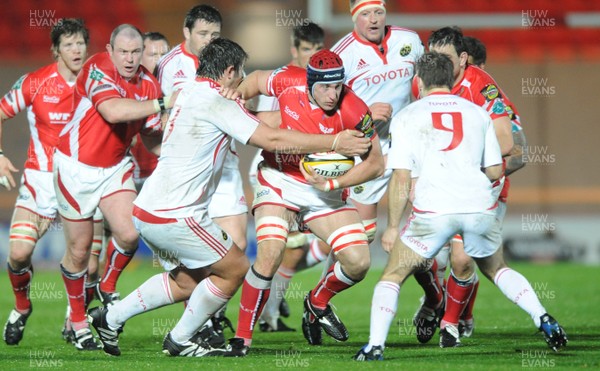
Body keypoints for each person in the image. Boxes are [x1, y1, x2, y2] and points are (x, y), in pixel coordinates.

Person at [87, 37, 372, 357]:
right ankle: (180, 340)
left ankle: (109, 319)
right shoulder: (218, 102)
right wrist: (334, 143)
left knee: (188, 282)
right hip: (176, 213)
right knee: (235, 268)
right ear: (228, 71)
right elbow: (273, 138)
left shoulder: (188, 90)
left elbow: (269, 120)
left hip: (149, 208)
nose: (241, 82)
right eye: (240, 74)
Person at [354, 51, 567, 361]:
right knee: (497, 269)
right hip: (478, 206)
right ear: (450, 79)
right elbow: (496, 170)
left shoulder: (408, 116)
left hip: (433, 212)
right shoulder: (478, 113)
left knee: (392, 275)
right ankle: (543, 318)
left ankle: (374, 347)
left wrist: (392, 227)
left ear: (419, 81)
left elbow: (400, 178)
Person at [224, 49, 384, 357]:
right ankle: (242, 340)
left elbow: (375, 163)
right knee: (270, 254)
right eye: (325, 86)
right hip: (279, 180)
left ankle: (317, 301)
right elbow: (256, 79)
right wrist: (237, 95)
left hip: (323, 193)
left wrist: (333, 184)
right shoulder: (288, 80)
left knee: (359, 262)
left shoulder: (354, 110)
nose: (332, 93)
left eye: (337, 86)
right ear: (309, 81)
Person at [53, 24, 174, 350]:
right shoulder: (96, 67)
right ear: (110, 50)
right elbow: (113, 110)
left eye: (136, 52)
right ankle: (78, 319)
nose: (130, 59)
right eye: (123, 51)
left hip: (115, 168)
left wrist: (178, 161)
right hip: (74, 168)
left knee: (130, 234)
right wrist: (163, 104)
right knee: (79, 253)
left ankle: (107, 285)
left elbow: (149, 136)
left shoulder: (149, 84)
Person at [0, 18, 104, 346]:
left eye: (80, 43)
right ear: (55, 50)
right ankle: (22, 306)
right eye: (68, 44)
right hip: (41, 182)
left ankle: (75, 321)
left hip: (85, 181)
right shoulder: (35, 83)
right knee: (18, 254)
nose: (76, 50)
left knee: (88, 263)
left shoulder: (99, 83)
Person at [431, 34, 529, 339]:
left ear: (468, 64)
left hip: (482, 192)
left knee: (464, 259)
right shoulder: (430, 87)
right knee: (433, 261)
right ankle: (438, 307)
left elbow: (519, 153)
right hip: (439, 190)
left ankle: (455, 319)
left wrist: (482, 173)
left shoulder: (489, 95)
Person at [155, 4, 243, 344]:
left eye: (214, 34)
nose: (209, 40)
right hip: (189, 171)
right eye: (203, 33)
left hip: (226, 164)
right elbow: (165, 112)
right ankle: (199, 326)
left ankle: (209, 318)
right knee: (201, 257)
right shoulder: (170, 64)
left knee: (235, 248)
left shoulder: (227, 61)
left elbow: (241, 96)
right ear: (186, 32)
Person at [249, 22, 331, 333]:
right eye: (306, 49)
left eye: (316, 50)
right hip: (278, 170)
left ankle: (270, 310)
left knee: (301, 249)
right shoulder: (280, 81)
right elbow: (269, 132)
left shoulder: (322, 82)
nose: (311, 56)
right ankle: (264, 311)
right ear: (294, 50)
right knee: (284, 250)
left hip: (304, 171)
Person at [331, 0, 424, 243]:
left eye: (378, 12)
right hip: (367, 148)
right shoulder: (341, 54)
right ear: (353, 17)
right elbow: (326, 111)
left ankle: (436, 277)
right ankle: (319, 260)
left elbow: (427, 81)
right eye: (365, 14)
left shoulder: (409, 40)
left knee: (429, 216)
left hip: (406, 141)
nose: (373, 19)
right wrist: (365, 115)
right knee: (362, 237)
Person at [130, 31, 170, 190]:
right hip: (132, 177)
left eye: (164, 54)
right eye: (153, 54)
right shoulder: (129, 90)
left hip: (165, 174)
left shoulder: (177, 90)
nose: (160, 60)